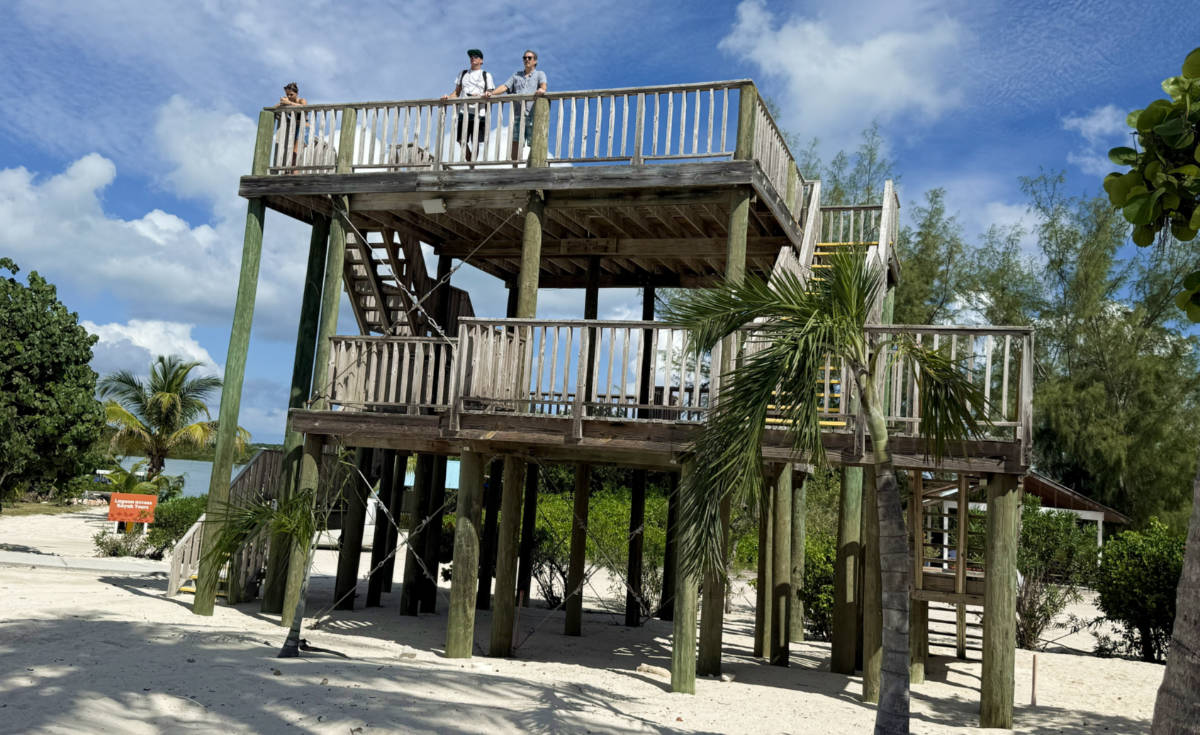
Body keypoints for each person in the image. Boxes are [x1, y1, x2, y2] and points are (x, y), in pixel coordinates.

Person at [486, 50, 548, 161]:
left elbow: (543, 86)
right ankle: (515, 167)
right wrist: (492, 93)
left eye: (529, 58)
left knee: (535, 142)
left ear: (535, 61)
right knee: (516, 142)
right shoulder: (516, 75)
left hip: (534, 114)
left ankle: (533, 165)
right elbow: (505, 87)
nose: (526, 60)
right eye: (524, 58)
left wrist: (542, 90)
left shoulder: (540, 74)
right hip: (519, 114)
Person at [442, 49, 495, 162]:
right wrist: (448, 98)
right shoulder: (463, 74)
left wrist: (482, 95)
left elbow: (490, 92)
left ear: (481, 61)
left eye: (475, 56)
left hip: (479, 112)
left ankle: (472, 164)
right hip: (463, 111)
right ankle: (471, 162)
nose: (472, 58)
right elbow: (457, 92)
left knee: (475, 141)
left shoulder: (486, 75)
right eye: (471, 56)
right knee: (461, 140)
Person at [277, 82, 309, 167]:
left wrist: (289, 103)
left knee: (295, 153)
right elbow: (273, 108)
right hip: (293, 129)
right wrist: (281, 103)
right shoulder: (287, 101)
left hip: (303, 128)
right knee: (289, 153)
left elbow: (305, 108)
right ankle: (288, 172)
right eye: (287, 95)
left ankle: (292, 172)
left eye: (291, 94)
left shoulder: (301, 100)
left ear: (296, 93)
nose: (289, 97)